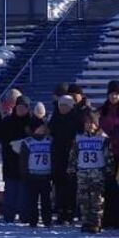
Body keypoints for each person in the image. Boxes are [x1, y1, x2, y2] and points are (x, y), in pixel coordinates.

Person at [69, 109, 114, 234]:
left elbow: (108, 156)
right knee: (83, 199)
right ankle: (86, 222)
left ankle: (95, 222)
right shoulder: (79, 138)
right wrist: (71, 169)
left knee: (96, 200)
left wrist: (109, 171)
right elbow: (73, 155)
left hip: (97, 173)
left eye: (92, 122)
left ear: (96, 123)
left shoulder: (103, 138)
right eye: (87, 122)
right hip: (82, 173)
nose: (89, 125)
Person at [97, 80, 119, 230]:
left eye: (116, 94)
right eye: (111, 94)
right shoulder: (102, 110)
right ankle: (107, 218)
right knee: (108, 187)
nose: (114, 97)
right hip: (106, 153)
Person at [0, 96, 32, 222]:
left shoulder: (31, 122)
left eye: (24, 107)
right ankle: (8, 216)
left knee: (25, 192)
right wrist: (13, 145)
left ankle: (25, 216)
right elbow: (4, 139)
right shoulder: (8, 121)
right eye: (19, 107)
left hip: (27, 163)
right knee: (10, 191)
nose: (21, 110)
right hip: (10, 160)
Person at [17, 118, 54, 227]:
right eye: (39, 127)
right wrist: (24, 173)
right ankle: (33, 220)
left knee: (46, 200)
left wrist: (53, 172)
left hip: (46, 176)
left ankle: (47, 219)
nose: (42, 129)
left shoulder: (49, 140)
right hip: (32, 176)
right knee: (32, 200)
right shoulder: (27, 142)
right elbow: (23, 160)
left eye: (43, 127)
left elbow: (54, 157)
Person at [49, 94, 80, 224]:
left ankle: (71, 211)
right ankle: (60, 211)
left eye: (65, 106)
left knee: (71, 185)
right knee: (59, 185)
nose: (62, 108)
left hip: (71, 156)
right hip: (58, 156)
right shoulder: (55, 118)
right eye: (60, 105)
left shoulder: (76, 119)